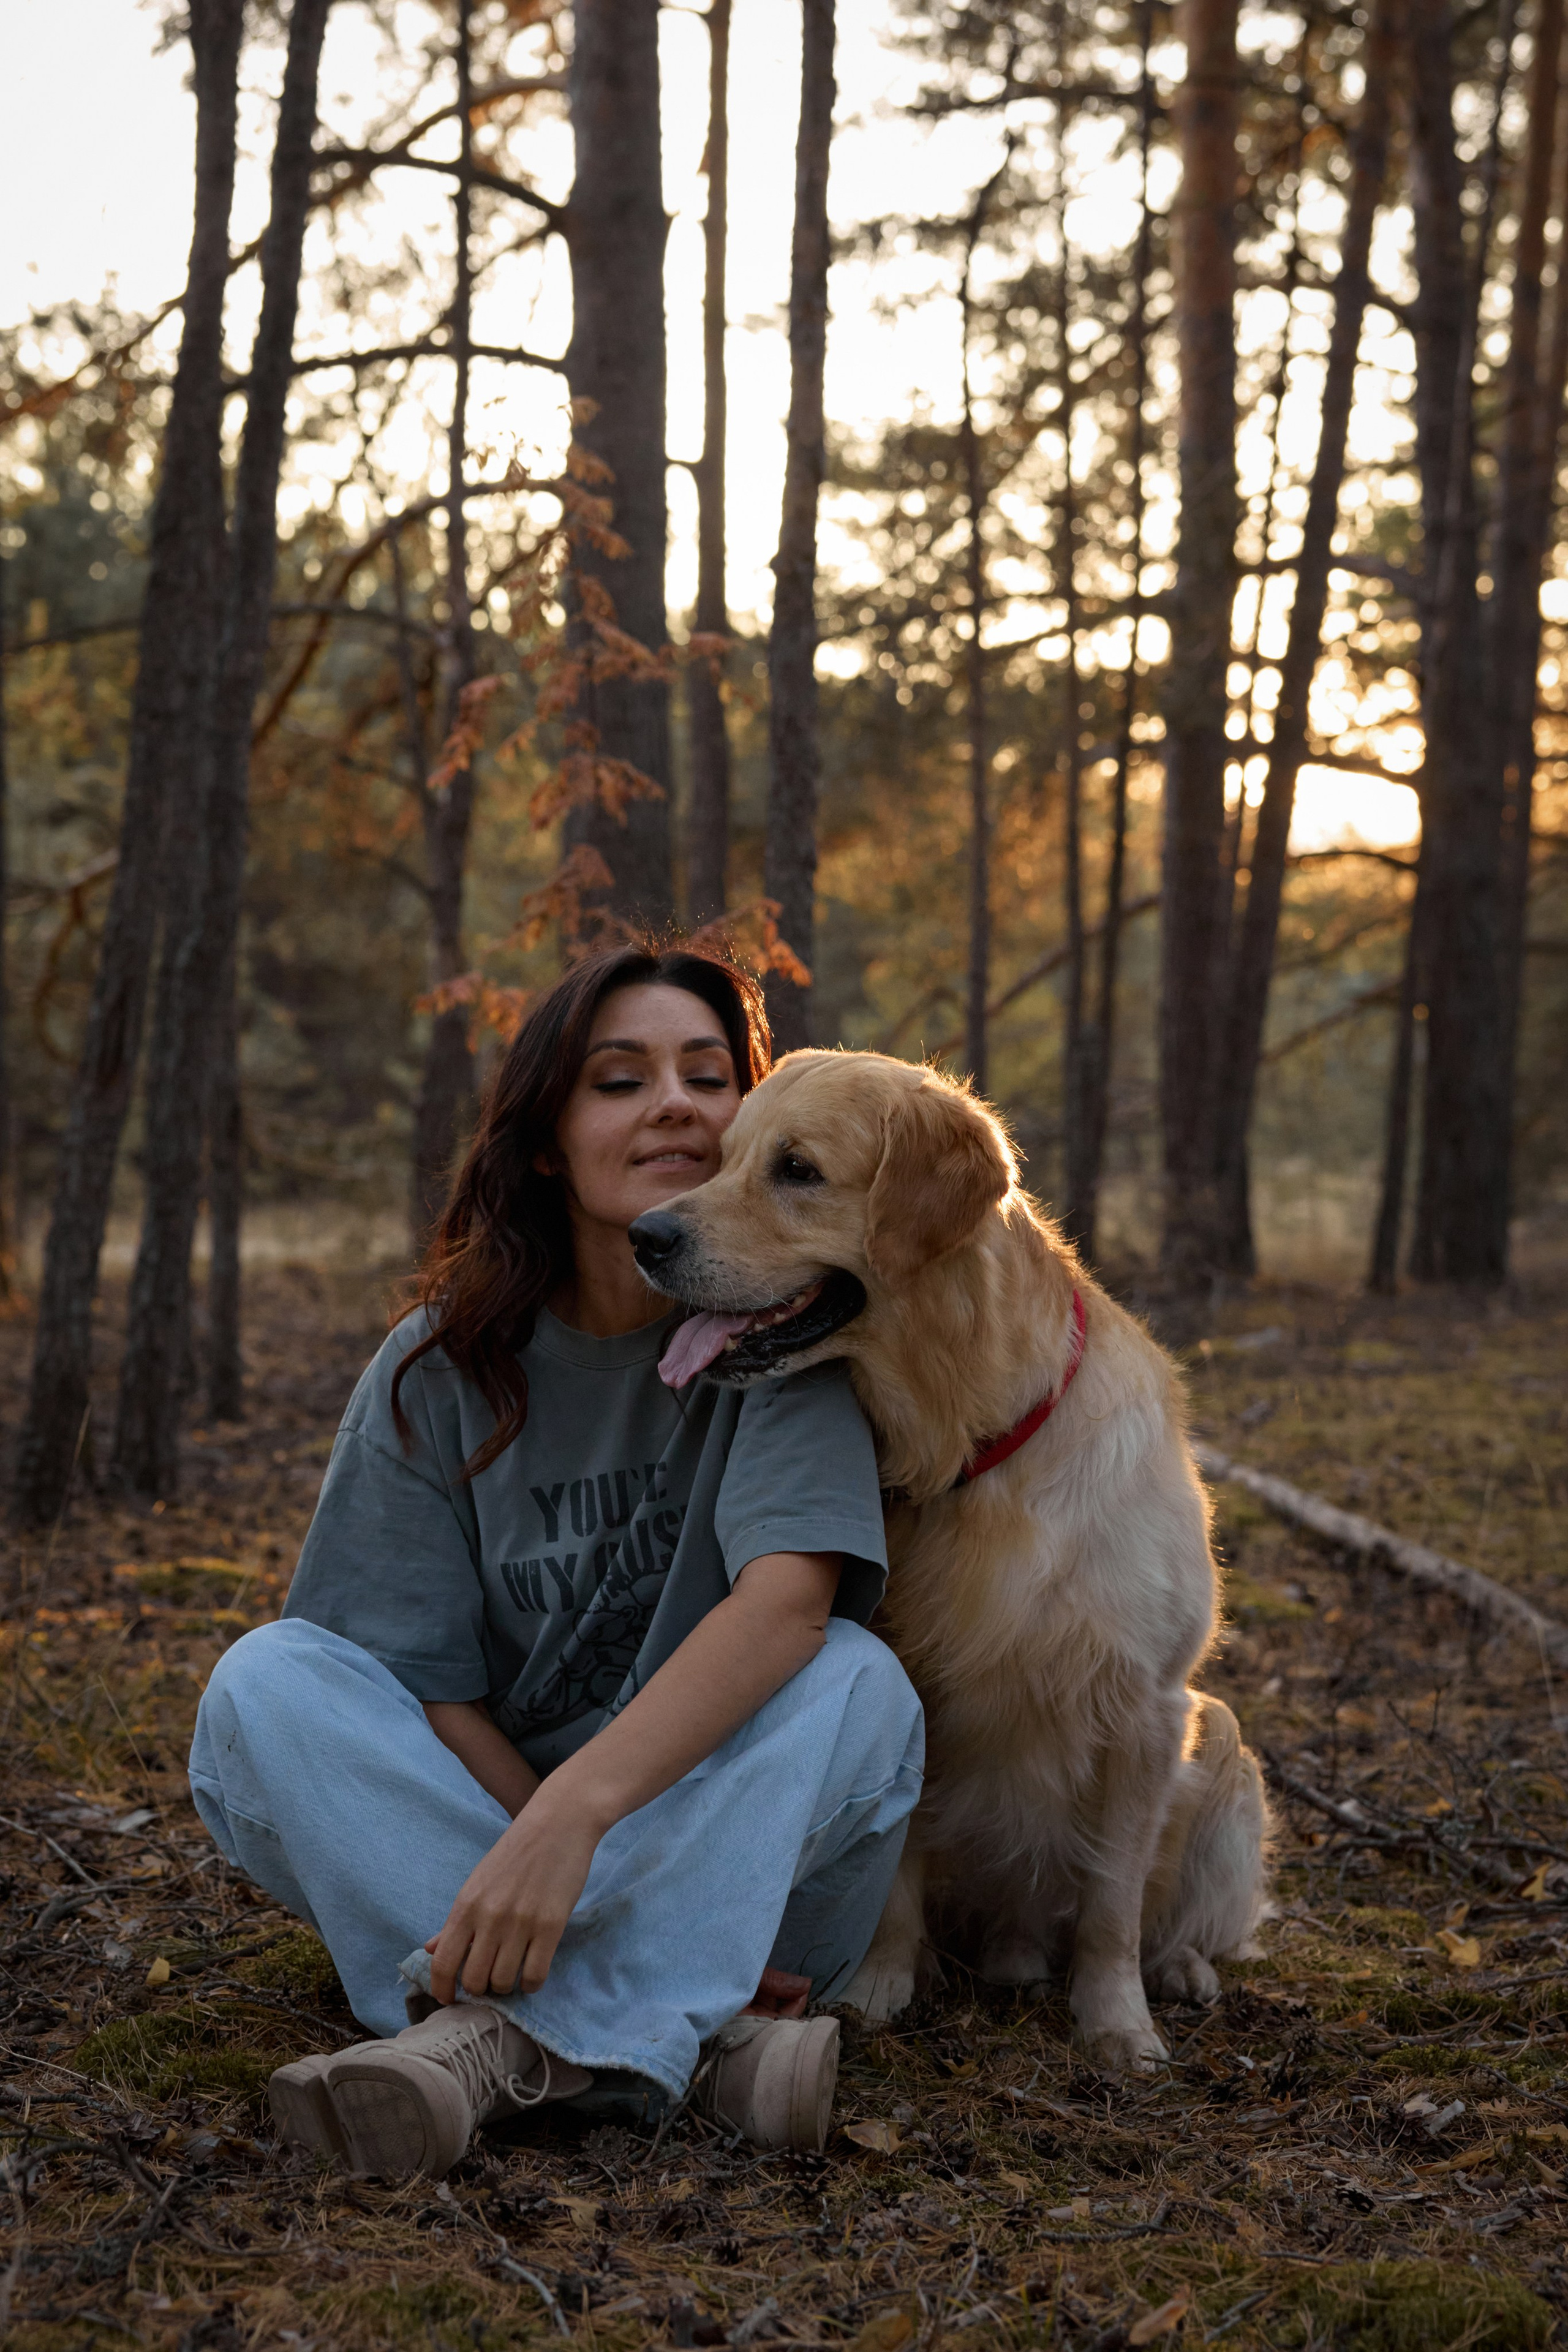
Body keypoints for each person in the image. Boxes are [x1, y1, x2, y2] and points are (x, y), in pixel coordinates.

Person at [189, 943, 924, 2179]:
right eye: (619, 1080)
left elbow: (787, 1611)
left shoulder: (780, 1332)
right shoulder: (439, 1368)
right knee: (265, 1684)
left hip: (740, 1865)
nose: (674, 1104)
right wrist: (535, 1849)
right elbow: (426, 1688)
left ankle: (487, 2042)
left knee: (859, 1683)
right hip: (486, 1870)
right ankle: (700, 2044)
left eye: (708, 1076)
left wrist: (582, 1818)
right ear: (544, 1140)